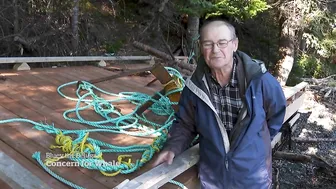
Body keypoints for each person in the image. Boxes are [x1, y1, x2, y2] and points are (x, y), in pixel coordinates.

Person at [152, 18, 287, 189]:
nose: (215, 50)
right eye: (208, 44)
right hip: (212, 178)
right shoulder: (195, 87)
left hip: (253, 178)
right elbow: (185, 123)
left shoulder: (261, 82)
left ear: (234, 44)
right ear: (201, 47)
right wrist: (172, 147)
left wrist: (256, 143)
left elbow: (275, 117)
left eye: (222, 43)